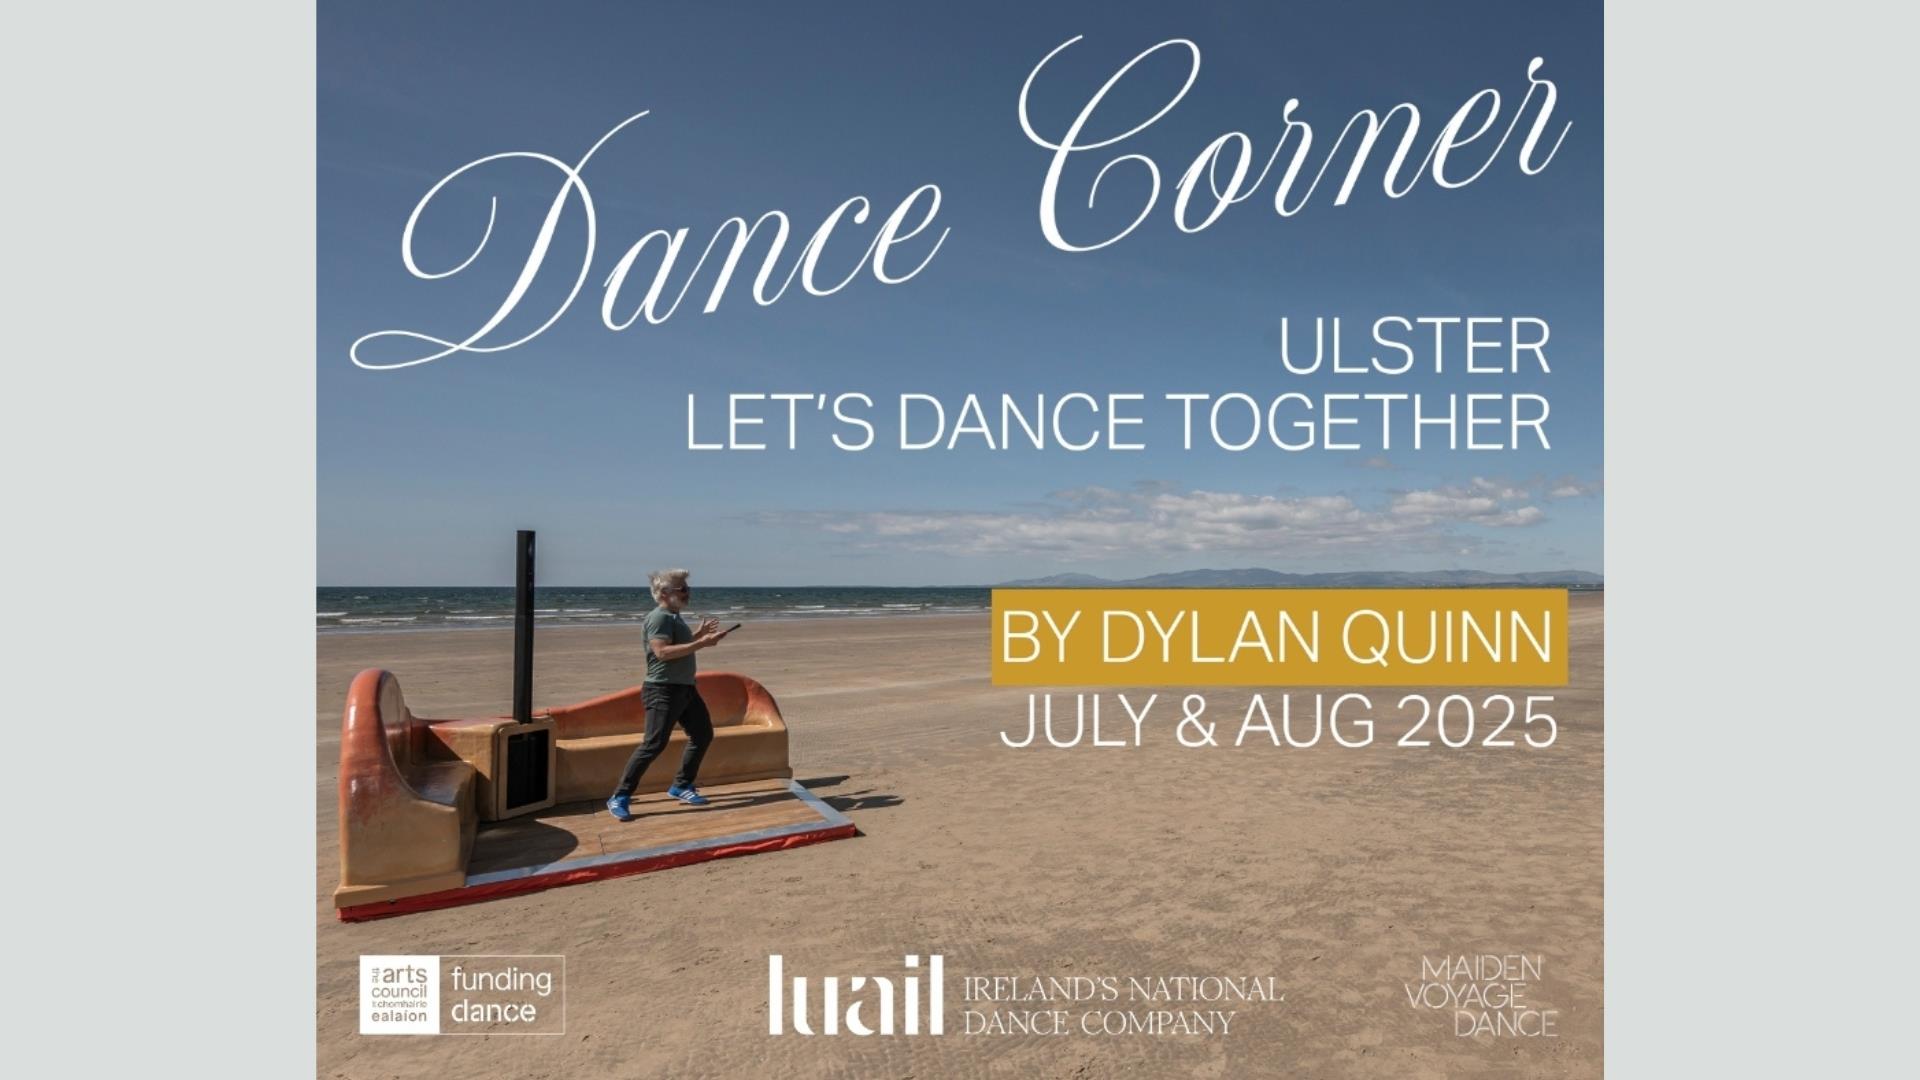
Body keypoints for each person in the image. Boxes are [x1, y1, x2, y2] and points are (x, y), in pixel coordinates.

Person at [606, 569, 730, 821]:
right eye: (682, 588)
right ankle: (620, 795)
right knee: (653, 744)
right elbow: (662, 652)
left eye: (687, 588)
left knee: (702, 734)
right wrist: (702, 643)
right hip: (662, 690)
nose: (687, 593)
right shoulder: (659, 618)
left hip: (685, 688)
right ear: (664, 593)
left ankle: (681, 786)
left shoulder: (674, 617)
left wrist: (697, 635)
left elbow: (675, 646)